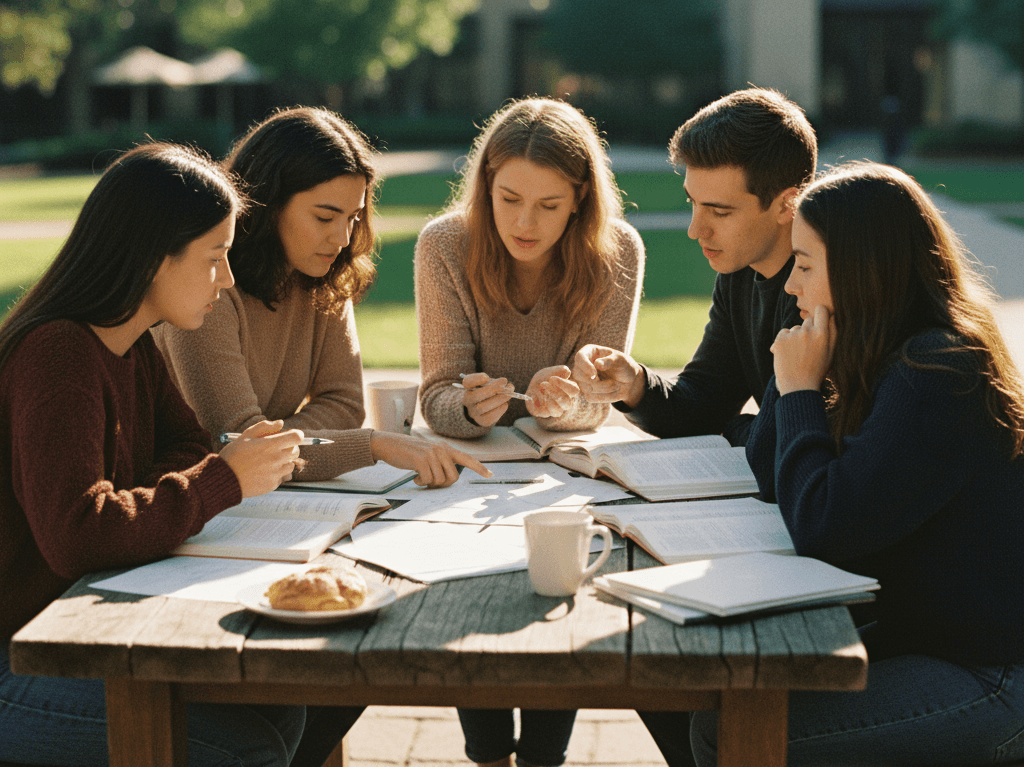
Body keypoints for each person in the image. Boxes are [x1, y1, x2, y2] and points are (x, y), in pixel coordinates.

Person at [0, 142, 345, 767]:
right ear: (154, 258)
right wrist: (219, 481)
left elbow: (182, 445)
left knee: (286, 703)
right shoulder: (57, 357)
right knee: (244, 746)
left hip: (81, 624)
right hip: (20, 655)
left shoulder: (131, 345)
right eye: (215, 258)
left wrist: (151, 499)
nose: (229, 279)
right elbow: (78, 534)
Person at [686, 162, 1024, 765]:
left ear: (863, 272)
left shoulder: (939, 369)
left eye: (807, 267)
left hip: (989, 674)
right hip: (920, 639)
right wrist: (796, 364)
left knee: (722, 731)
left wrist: (799, 392)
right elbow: (772, 475)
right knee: (707, 694)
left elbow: (824, 527)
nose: (791, 286)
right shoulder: (881, 350)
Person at [414, 97, 645, 767]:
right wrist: (471, 408)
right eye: (509, 198)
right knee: (468, 595)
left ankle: (545, 757)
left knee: (555, 593)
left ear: (580, 200)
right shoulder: (445, 245)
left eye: (549, 205)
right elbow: (437, 395)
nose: (524, 222)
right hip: (471, 476)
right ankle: (486, 754)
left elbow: (597, 403)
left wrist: (562, 401)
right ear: (485, 185)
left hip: (564, 473)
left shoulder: (617, 253)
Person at [156, 106, 488, 489]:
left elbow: (345, 405)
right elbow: (237, 443)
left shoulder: (322, 274)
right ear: (268, 203)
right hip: (187, 499)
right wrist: (372, 444)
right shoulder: (209, 286)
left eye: (353, 217)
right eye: (325, 218)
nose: (343, 238)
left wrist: (281, 444)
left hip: (260, 499)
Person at [572, 87, 817, 447]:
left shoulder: (825, 287)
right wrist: (636, 385)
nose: (694, 230)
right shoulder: (740, 275)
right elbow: (703, 405)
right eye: (693, 204)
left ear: (786, 204)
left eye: (719, 211)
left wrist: (738, 430)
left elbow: (782, 441)